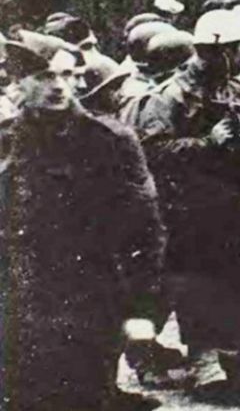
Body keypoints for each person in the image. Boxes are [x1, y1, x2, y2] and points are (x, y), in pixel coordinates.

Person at [119, 9, 240, 405]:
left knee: (239, 283)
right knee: (194, 289)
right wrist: (206, 143)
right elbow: (152, 152)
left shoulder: (234, 89)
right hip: (186, 214)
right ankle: (203, 362)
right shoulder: (167, 97)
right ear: (215, 51)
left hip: (230, 209)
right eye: (238, 49)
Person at [0, 31, 166, 411]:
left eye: (66, 75)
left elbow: (146, 228)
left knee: (84, 394)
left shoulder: (110, 141)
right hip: (19, 301)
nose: (58, 86)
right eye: (44, 77)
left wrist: (142, 308)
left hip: (91, 299)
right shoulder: (8, 143)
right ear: (19, 82)